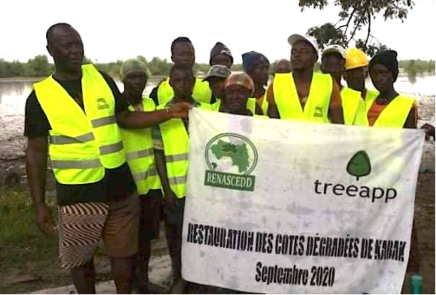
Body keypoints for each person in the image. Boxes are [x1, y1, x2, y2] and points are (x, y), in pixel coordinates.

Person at [24, 23, 190, 294]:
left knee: (123, 256)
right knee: (81, 260)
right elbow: (35, 153)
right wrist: (39, 203)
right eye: (67, 45)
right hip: (77, 194)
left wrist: (169, 113)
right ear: (50, 50)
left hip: (120, 190)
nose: (75, 50)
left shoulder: (100, 79)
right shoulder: (40, 97)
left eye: (78, 43)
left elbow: (125, 117)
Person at [367, 50, 420, 293]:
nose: (379, 78)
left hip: (395, 178)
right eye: (374, 73)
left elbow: (408, 142)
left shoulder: (407, 105)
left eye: (384, 73)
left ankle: (407, 279)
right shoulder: (366, 102)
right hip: (368, 177)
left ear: (394, 75)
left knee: (400, 227)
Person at [153, 64, 202, 293]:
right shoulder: (162, 114)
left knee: (200, 236)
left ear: (193, 83)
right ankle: (179, 274)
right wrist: (167, 190)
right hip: (176, 188)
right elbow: (159, 153)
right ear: (170, 83)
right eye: (177, 81)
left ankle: (199, 276)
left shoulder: (205, 112)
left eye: (187, 81)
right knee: (175, 236)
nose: (182, 85)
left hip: (202, 190)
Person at [118, 58, 164, 293]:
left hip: (151, 183)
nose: (137, 82)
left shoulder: (150, 104)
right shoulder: (117, 107)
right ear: (124, 80)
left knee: (146, 238)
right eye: (132, 77)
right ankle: (130, 283)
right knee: (127, 242)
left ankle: (142, 281)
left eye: (141, 77)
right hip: (126, 185)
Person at [266, 34, 344, 124]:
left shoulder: (328, 83)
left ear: (315, 57)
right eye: (293, 52)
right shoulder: (276, 84)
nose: (297, 55)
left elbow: (339, 125)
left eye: (303, 51)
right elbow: (272, 126)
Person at [149, 37, 212, 106]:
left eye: (190, 54)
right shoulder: (158, 91)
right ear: (172, 58)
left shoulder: (210, 88)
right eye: (182, 54)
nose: (187, 58)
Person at [321, 45, 367, 125]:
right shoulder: (313, 93)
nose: (332, 70)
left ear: (343, 68)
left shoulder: (356, 99)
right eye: (328, 66)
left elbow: (362, 131)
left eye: (336, 66)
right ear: (322, 68)